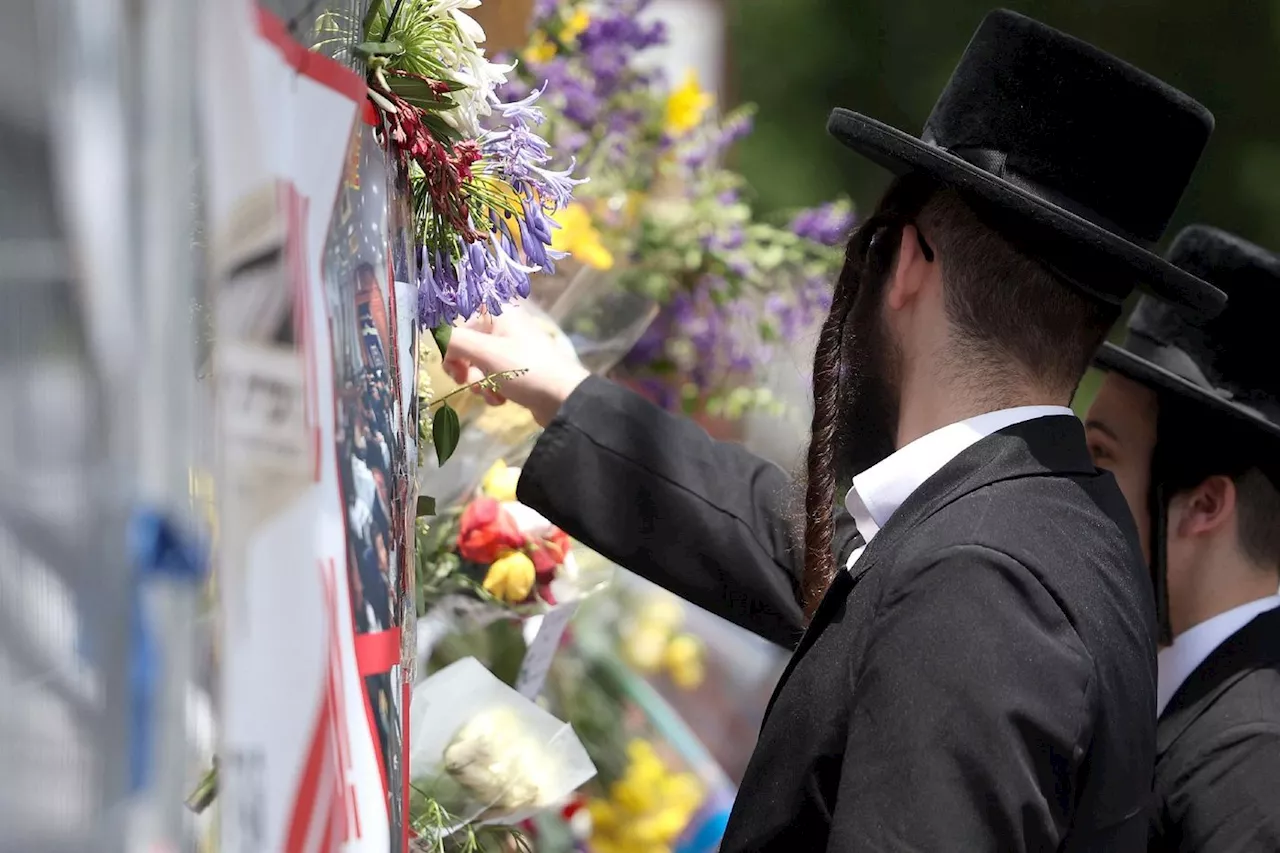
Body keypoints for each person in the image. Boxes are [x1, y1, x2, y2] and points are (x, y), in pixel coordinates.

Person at [446, 11, 1225, 850]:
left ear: (910, 264)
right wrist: (569, 395)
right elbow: (818, 557)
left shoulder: (980, 582)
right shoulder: (1050, 521)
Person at [1084, 226, 1280, 852]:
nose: (1071, 485)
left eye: (1100, 457)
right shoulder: (1179, 691)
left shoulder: (1246, 763)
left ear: (1202, 505)